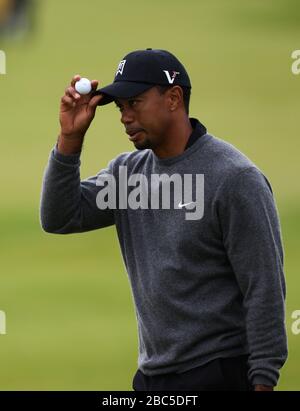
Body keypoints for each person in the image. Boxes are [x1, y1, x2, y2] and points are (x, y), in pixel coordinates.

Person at [40, 48, 288, 391]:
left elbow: (264, 290)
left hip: (219, 373)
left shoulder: (234, 179)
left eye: (136, 102)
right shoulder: (128, 176)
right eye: (121, 107)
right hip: (152, 377)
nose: (125, 116)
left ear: (173, 98)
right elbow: (59, 217)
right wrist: (70, 139)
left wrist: (263, 380)